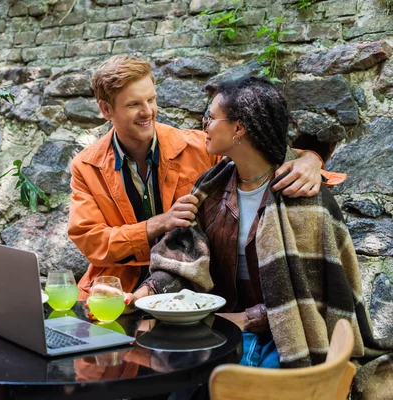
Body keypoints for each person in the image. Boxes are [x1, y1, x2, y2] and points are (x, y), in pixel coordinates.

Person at [127, 77, 392, 394]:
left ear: (239, 129)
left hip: (286, 340)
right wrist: (145, 293)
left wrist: (247, 319)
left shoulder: (304, 197)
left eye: (211, 118)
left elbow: (315, 298)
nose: (205, 126)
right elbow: (180, 260)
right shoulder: (210, 189)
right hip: (220, 332)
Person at [68, 55, 343, 302]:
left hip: (185, 291)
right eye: (133, 104)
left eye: (151, 99)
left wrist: (311, 159)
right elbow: (92, 241)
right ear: (106, 110)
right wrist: (157, 224)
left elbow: (261, 154)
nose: (148, 111)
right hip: (115, 288)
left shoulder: (202, 147)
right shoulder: (85, 165)